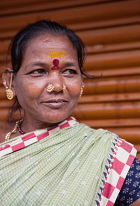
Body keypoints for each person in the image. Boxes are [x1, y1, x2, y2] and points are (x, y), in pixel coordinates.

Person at [0, 20, 139, 206]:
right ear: (10, 81)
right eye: (39, 71)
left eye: (69, 71)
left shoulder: (110, 156)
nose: (57, 86)